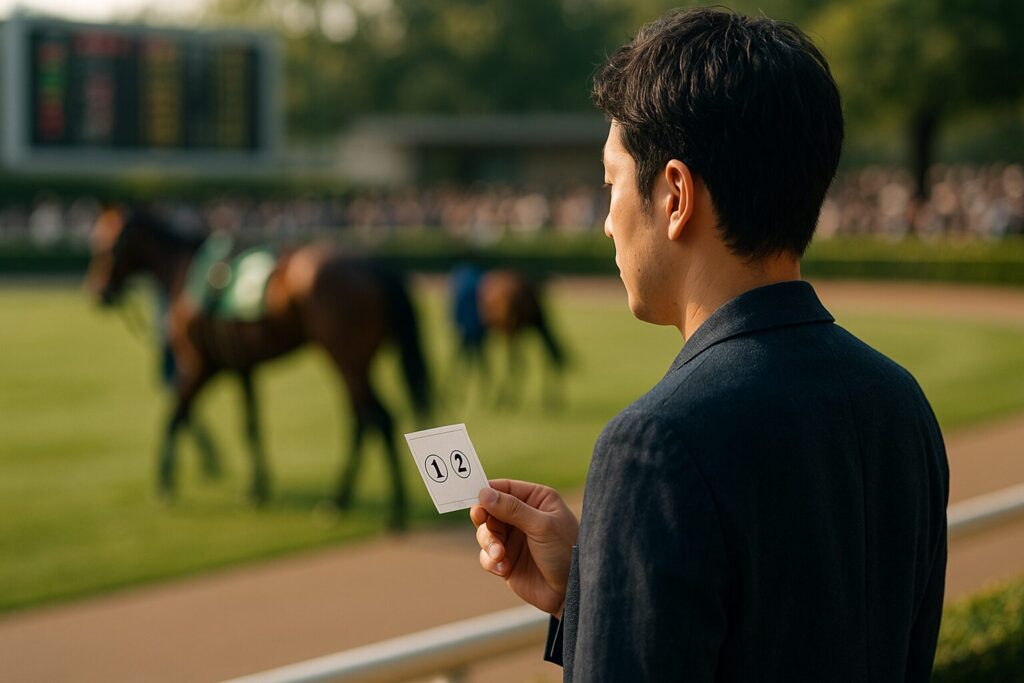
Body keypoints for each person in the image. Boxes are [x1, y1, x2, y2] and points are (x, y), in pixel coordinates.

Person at [469, 7, 948, 681]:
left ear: (674, 195)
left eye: (611, 184)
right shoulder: (900, 400)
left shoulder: (655, 443)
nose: (607, 222)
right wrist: (597, 591)